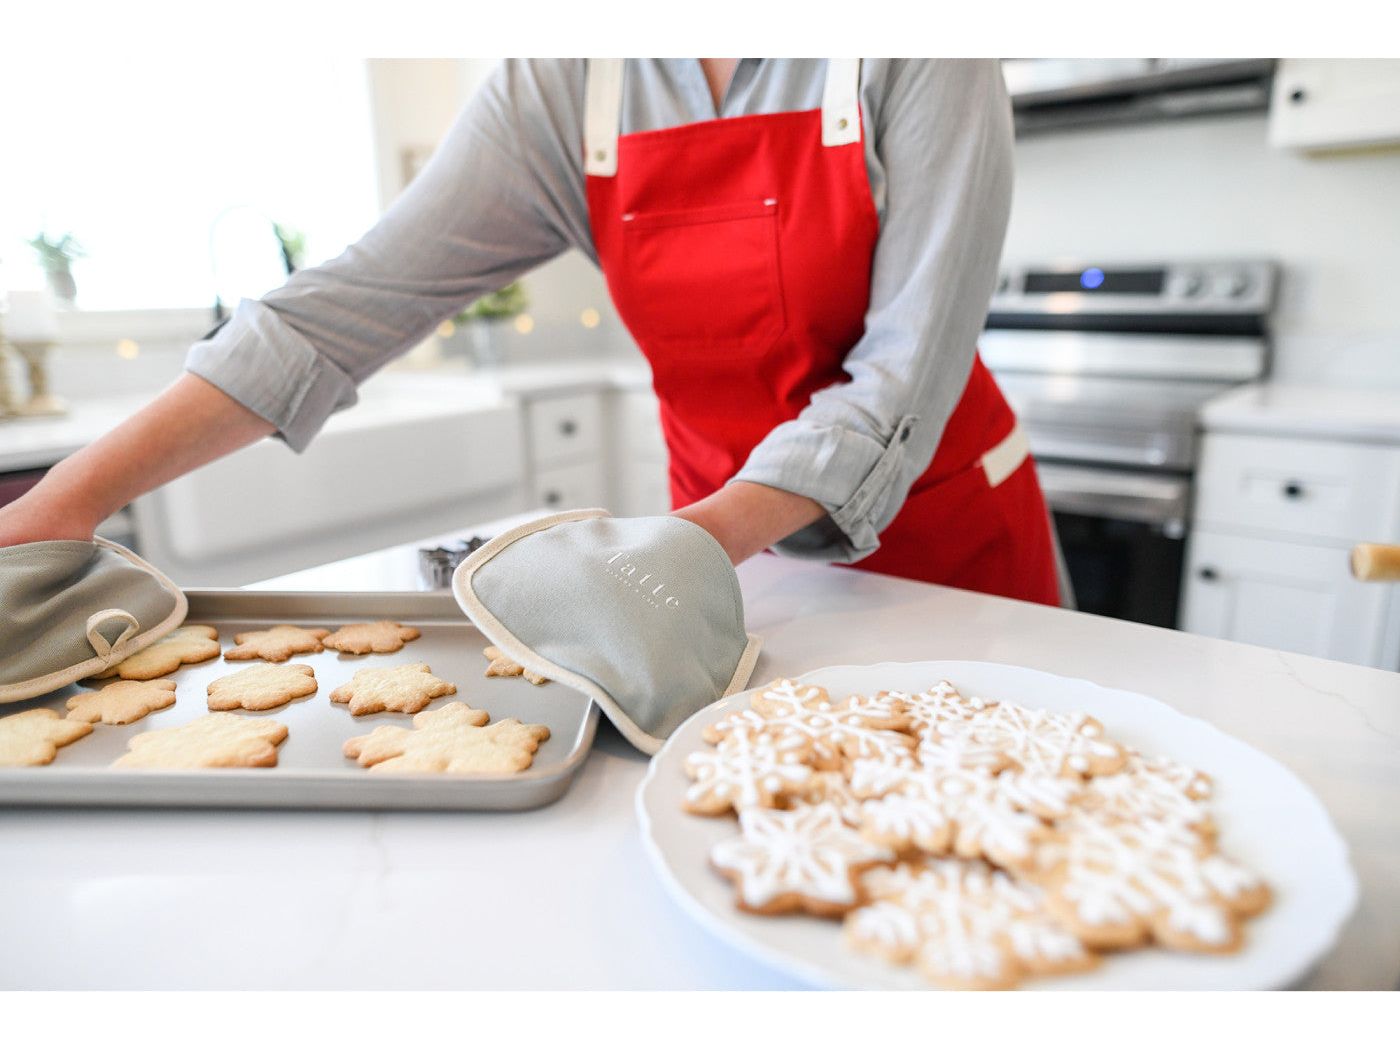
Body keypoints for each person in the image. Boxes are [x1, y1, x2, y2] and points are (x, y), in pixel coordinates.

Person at [0, 59, 1059, 604]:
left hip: (942, 535)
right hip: (725, 552)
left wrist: (681, 549)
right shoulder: (562, 83)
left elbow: (898, 380)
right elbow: (337, 312)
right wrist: (63, 502)